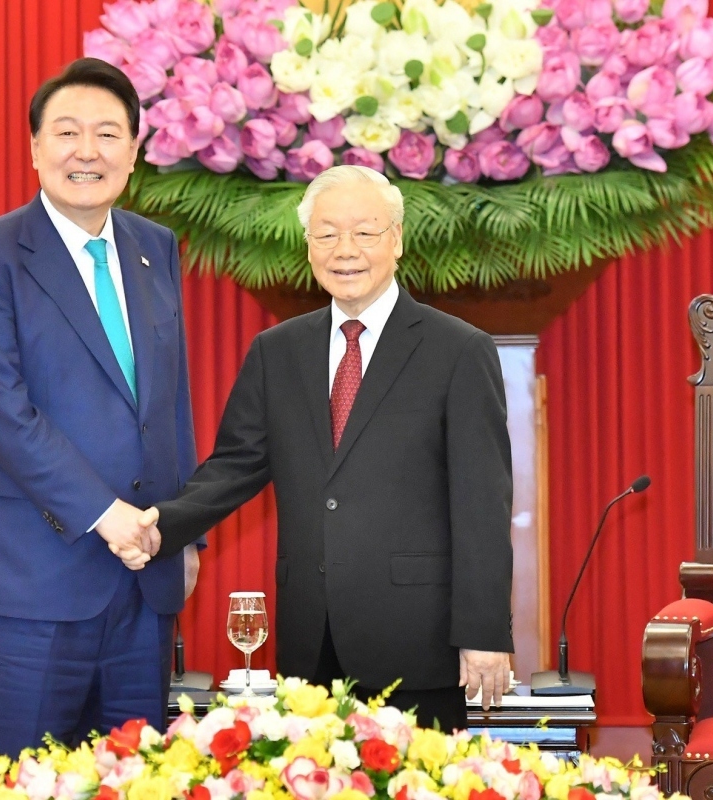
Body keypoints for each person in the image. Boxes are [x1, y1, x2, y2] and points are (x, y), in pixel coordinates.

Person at [136, 165, 514, 730]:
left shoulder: (458, 350)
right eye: (327, 233)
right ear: (308, 245)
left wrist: (484, 633)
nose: (346, 250)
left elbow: (483, 504)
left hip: (420, 642)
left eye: (365, 232)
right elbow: (236, 465)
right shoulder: (277, 351)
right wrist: (159, 525)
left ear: (397, 239)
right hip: (311, 642)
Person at [0, 57, 200, 759]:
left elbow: (168, 407)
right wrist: (108, 514)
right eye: (67, 132)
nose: (88, 151)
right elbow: (2, 413)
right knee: (19, 780)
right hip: (27, 585)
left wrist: (187, 530)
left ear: (135, 151)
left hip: (143, 584)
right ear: (33, 148)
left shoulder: (155, 248)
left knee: (133, 778)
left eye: (109, 134)